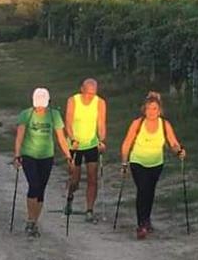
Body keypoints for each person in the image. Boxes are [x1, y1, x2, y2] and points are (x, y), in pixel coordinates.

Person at [119, 92, 185, 240]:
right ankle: (141, 224)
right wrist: (124, 162)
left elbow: (173, 142)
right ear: (144, 109)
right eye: (148, 108)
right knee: (142, 190)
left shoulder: (164, 125)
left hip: (156, 163)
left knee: (150, 192)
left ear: (159, 110)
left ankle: (147, 219)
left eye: (154, 109)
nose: (151, 112)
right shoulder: (137, 123)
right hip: (138, 161)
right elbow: (127, 143)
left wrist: (179, 151)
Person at [14, 87, 72, 238]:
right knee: (34, 186)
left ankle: (35, 221)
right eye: (38, 105)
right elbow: (20, 136)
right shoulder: (26, 114)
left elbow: (61, 137)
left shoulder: (54, 115)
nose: (40, 108)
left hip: (46, 156)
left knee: (41, 189)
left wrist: (68, 155)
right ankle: (30, 219)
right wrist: (17, 155)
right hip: (29, 154)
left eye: (42, 105)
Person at [65, 78, 107, 222]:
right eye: (88, 93)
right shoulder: (73, 101)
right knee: (75, 179)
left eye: (93, 93)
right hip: (75, 144)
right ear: (82, 89)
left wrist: (101, 140)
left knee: (92, 178)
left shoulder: (100, 102)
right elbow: (68, 122)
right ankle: (70, 196)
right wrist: (72, 138)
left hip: (91, 144)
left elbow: (101, 124)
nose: (90, 96)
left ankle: (89, 209)